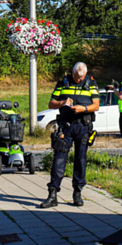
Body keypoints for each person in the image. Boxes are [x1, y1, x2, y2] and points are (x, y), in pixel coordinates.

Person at [40, 62, 99, 209]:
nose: (78, 80)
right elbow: (51, 103)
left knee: (81, 159)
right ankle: (52, 194)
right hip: (66, 126)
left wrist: (83, 109)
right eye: (76, 77)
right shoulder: (63, 82)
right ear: (72, 73)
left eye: (81, 77)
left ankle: (77, 193)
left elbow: (96, 105)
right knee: (59, 159)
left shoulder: (91, 83)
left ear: (85, 75)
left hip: (83, 126)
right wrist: (62, 103)